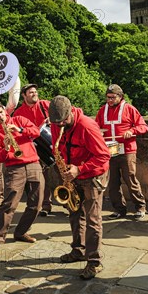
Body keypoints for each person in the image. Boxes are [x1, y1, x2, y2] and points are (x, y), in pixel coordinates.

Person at [50, 95, 110, 280]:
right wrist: (66, 170)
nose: (59, 127)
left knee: (93, 219)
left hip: (93, 175)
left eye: (63, 122)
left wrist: (80, 169)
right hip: (72, 174)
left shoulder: (87, 126)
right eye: (56, 123)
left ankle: (94, 262)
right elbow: (57, 148)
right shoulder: (57, 124)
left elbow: (103, 156)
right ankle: (78, 250)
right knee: (75, 213)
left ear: (70, 113)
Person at [0, 98, 44, 255]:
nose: (1, 117)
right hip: (14, 168)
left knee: (37, 204)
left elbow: (36, 132)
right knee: (9, 204)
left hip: (33, 163)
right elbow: (0, 158)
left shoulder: (19, 120)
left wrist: (20, 130)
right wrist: (6, 146)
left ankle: (21, 232)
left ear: (4, 109)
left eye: (1, 112)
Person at [95, 84, 148, 220]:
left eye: (112, 97)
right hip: (110, 150)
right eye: (108, 97)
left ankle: (140, 207)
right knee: (112, 182)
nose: (110, 100)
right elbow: (95, 127)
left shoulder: (129, 109)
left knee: (130, 179)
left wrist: (132, 131)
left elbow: (143, 126)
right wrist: (98, 134)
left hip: (127, 150)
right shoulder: (102, 110)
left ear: (120, 97)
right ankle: (119, 209)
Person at [13, 83, 54, 216]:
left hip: (52, 144)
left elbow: (63, 114)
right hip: (34, 149)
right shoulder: (18, 113)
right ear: (24, 96)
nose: (34, 94)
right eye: (31, 92)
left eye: (35, 91)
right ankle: (46, 205)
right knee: (42, 178)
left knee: (63, 173)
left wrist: (52, 119)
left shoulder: (45, 105)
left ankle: (68, 202)